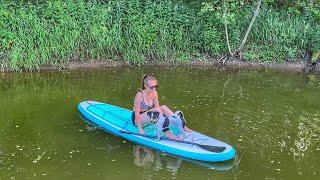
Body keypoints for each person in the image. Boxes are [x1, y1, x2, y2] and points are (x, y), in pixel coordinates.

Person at [131, 75, 191, 140]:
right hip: (138, 120)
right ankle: (167, 133)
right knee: (158, 109)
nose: (154, 89)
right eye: (152, 87)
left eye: (156, 86)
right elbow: (137, 115)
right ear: (145, 86)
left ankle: (181, 124)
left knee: (163, 107)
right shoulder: (139, 95)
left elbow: (158, 108)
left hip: (148, 117)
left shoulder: (154, 93)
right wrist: (140, 129)